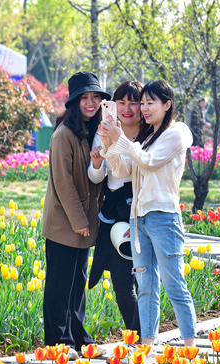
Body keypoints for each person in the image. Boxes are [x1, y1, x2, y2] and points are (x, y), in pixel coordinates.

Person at [100, 79, 196, 350]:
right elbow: (123, 170)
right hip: (138, 218)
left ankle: (190, 348)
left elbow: (150, 162)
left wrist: (122, 140)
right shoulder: (147, 137)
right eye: (142, 103)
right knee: (145, 286)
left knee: (174, 284)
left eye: (149, 102)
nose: (143, 108)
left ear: (167, 105)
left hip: (164, 218)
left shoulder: (177, 133)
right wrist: (110, 144)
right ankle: (146, 347)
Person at [41, 71, 109, 358]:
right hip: (64, 223)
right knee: (60, 284)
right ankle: (58, 341)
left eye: (96, 97)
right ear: (74, 102)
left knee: (78, 283)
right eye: (85, 98)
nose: (91, 102)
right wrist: (79, 221)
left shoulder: (91, 132)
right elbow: (63, 183)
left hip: (83, 222)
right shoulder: (64, 135)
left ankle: (79, 337)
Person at [87, 81, 144, 337]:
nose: (127, 108)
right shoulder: (104, 131)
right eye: (121, 102)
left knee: (144, 281)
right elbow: (96, 177)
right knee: (121, 282)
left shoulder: (148, 133)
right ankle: (135, 335)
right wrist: (97, 163)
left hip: (139, 209)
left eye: (134, 102)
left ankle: (143, 335)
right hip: (113, 213)